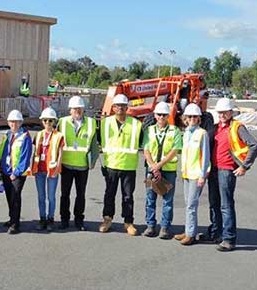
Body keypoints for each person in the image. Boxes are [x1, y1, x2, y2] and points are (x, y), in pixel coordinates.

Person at [204, 97, 257, 252]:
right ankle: (215, 233)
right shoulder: (216, 127)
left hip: (227, 171)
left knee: (226, 205)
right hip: (214, 170)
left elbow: (254, 146)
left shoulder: (237, 127)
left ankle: (229, 239)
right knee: (214, 204)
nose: (222, 115)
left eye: (224, 112)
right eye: (220, 112)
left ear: (230, 112)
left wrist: (244, 166)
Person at [99, 94, 144, 235]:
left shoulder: (136, 124)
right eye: (117, 105)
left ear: (127, 107)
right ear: (113, 107)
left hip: (128, 166)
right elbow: (101, 142)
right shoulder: (105, 123)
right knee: (109, 195)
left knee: (128, 196)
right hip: (111, 165)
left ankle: (128, 222)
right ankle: (107, 219)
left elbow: (141, 142)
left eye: (123, 106)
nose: (120, 108)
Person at [56, 96, 98, 231]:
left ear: (83, 109)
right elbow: (55, 142)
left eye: (79, 108)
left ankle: (79, 220)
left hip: (82, 166)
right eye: (75, 109)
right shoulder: (62, 122)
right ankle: (64, 219)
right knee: (65, 194)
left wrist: (92, 161)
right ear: (70, 110)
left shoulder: (91, 123)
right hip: (66, 165)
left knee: (81, 194)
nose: (77, 111)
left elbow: (94, 146)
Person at [141, 102, 182, 240]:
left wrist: (159, 165)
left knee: (167, 200)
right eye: (159, 114)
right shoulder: (149, 130)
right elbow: (146, 149)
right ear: (155, 115)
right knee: (150, 198)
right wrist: (153, 165)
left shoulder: (174, 131)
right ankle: (150, 225)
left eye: (164, 115)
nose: (161, 117)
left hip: (168, 170)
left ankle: (165, 227)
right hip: (151, 169)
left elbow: (174, 150)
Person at [174, 104, 211, 246]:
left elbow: (206, 156)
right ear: (185, 118)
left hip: (197, 175)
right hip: (187, 174)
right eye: (189, 116)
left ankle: (190, 235)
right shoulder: (187, 133)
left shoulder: (202, 134)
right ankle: (189, 230)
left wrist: (203, 175)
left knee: (191, 204)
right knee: (187, 204)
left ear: (199, 118)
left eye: (195, 116)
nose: (192, 119)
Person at [0, 109, 32, 234]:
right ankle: (12, 218)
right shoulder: (7, 135)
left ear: (21, 123)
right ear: (8, 123)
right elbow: (3, 152)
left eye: (16, 122)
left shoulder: (25, 137)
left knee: (15, 196)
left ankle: (15, 224)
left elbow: (25, 157)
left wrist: (16, 173)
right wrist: (1, 168)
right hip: (6, 171)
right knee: (9, 196)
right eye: (12, 122)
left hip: (17, 173)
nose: (14, 124)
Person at [32, 107, 65, 231]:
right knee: (41, 196)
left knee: (51, 196)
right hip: (39, 170)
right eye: (45, 120)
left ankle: (50, 218)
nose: (47, 123)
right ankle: (42, 218)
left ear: (54, 122)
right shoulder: (38, 135)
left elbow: (60, 153)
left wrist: (58, 167)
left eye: (50, 121)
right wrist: (33, 168)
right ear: (42, 121)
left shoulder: (59, 136)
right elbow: (35, 153)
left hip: (52, 170)